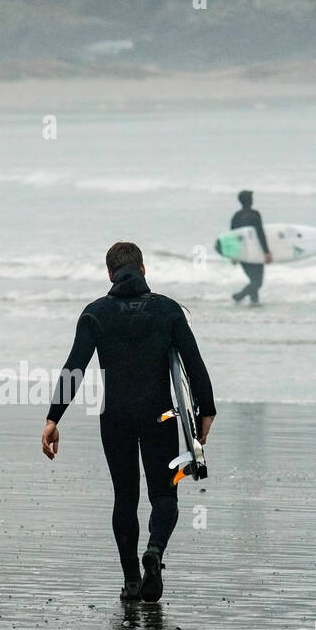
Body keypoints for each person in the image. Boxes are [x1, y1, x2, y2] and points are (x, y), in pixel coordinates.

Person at [41, 241, 215, 602]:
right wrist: (205, 410)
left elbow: (74, 368)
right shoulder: (168, 310)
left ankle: (132, 582)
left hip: (116, 416)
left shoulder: (95, 314)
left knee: (125, 497)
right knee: (165, 494)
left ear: (109, 274)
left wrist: (53, 417)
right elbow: (194, 363)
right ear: (144, 269)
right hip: (162, 415)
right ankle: (154, 551)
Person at [230, 190, 271, 305]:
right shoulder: (255, 214)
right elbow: (260, 233)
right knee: (257, 282)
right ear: (250, 200)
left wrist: (233, 254)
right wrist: (266, 252)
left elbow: (232, 237)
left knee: (254, 281)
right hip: (256, 252)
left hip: (243, 253)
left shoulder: (236, 216)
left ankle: (254, 303)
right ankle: (239, 296)